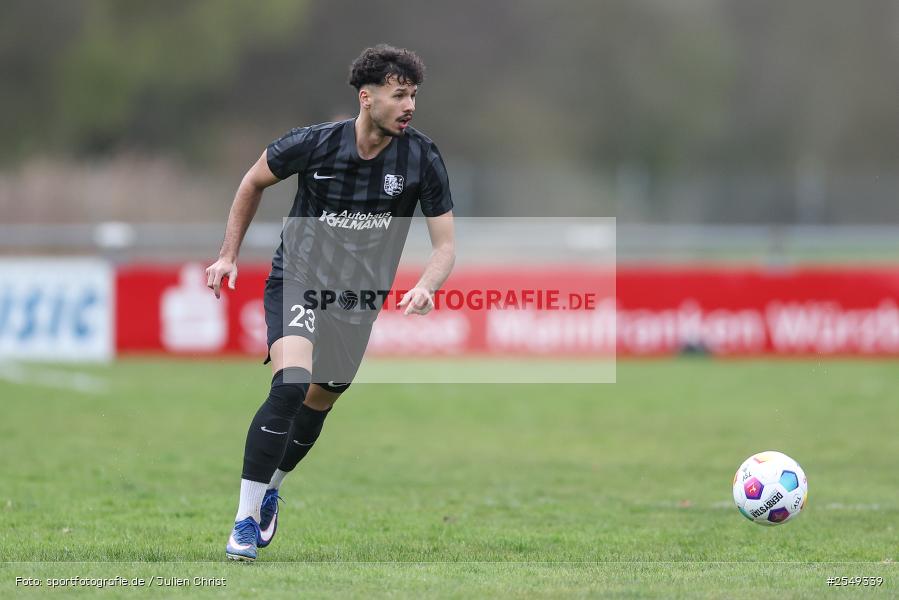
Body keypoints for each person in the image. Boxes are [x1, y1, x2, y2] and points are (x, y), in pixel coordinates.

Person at [205, 44, 455, 562]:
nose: (410, 105)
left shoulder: (422, 158)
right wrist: (228, 254)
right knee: (291, 385)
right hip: (298, 279)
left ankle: (272, 486)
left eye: (414, 96)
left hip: (358, 300)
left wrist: (427, 284)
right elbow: (252, 182)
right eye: (399, 94)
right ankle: (244, 521)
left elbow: (445, 246)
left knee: (320, 400)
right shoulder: (314, 144)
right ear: (367, 98)